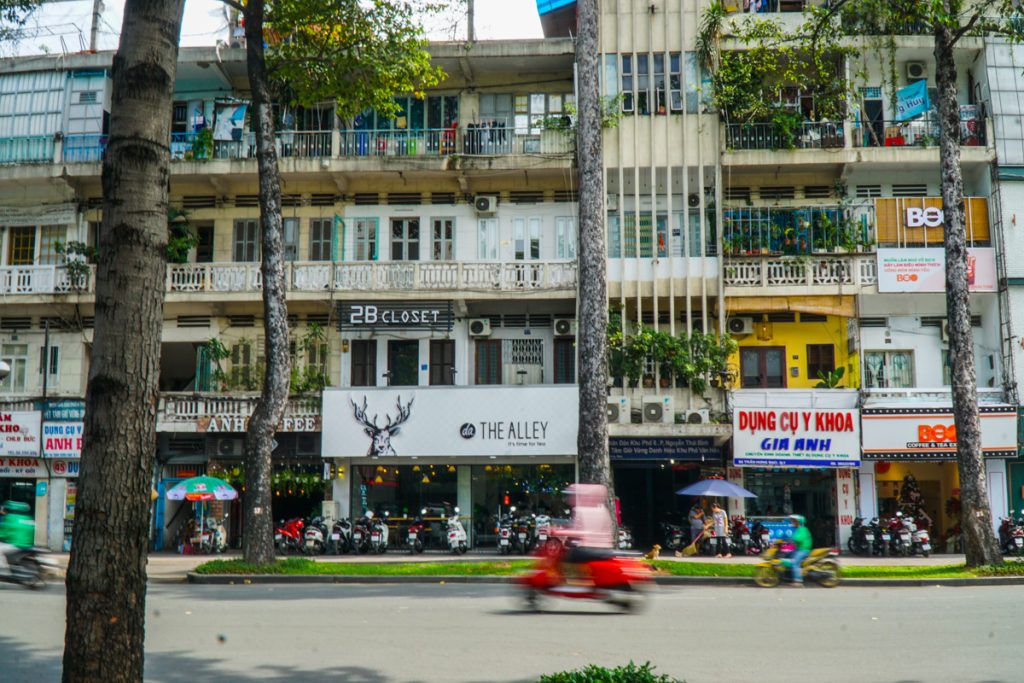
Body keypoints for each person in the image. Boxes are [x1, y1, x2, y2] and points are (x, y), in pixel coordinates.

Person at [559, 484, 613, 564]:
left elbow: (577, 532)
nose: (569, 498)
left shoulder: (579, 510)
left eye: (571, 495)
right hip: (606, 549)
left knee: (563, 559)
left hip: (587, 550)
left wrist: (557, 532)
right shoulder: (604, 510)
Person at [0, 501, 35, 575]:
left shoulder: (10, 518)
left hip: (16, 545)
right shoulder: (28, 518)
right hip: (28, 546)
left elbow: (3, 533)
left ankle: (4, 570)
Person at [787, 514, 812, 585]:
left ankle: (798, 581)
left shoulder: (802, 529)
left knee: (794, 563)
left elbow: (798, 539)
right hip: (798, 549)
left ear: (798, 522)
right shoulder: (799, 529)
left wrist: (791, 540)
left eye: (794, 521)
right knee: (788, 555)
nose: (792, 522)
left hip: (803, 550)